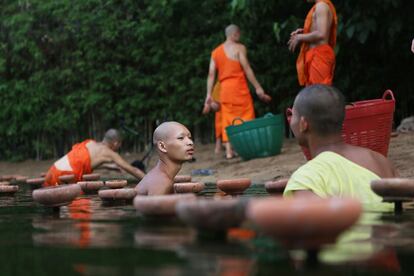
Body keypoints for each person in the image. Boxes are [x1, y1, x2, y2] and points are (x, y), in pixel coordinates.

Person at [283, 85, 398, 209]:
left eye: (293, 114)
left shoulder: (306, 179)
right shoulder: (382, 162)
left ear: (303, 124)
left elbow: (312, 225)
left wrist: (298, 186)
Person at [204, 24, 272, 159]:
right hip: (238, 87)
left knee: (227, 118)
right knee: (247, 114)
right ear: (235, 34)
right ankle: (248, 147)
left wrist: (208, 94)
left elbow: (211, 74)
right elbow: (247, 69)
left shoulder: (215, 52)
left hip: (225, 89)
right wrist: (258, 88)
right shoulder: (240, 48)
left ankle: (229, 151)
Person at [44, 129, 145, 187]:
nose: (119, 147)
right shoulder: (109, 153)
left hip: (53, 171)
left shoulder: (89, 143)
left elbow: (84, 163)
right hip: (65, 176)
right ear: (115, 143)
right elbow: (133, 170)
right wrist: (152, 181)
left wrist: (109, 167)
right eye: (120, 144)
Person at [135, 121, 194, 195]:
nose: (190, 142)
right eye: (181, 138)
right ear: (162, 146)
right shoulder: (161, 182)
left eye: (189, 138)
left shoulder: (162, 178)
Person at [288, 0, 337, 86]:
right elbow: (318, 30)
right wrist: (305, 33)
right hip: (313, 55)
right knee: (312, 95)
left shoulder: (321, 6)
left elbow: (322, 34)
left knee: (319, 94)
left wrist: (300, 37)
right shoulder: (319, 6)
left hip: (320, 55)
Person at [203, 81, 223, 155]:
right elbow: (216, 106)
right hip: (221, 111)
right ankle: (218, 145)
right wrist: (209, 104)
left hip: (231, 111)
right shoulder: (218, 86)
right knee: (219, 118)